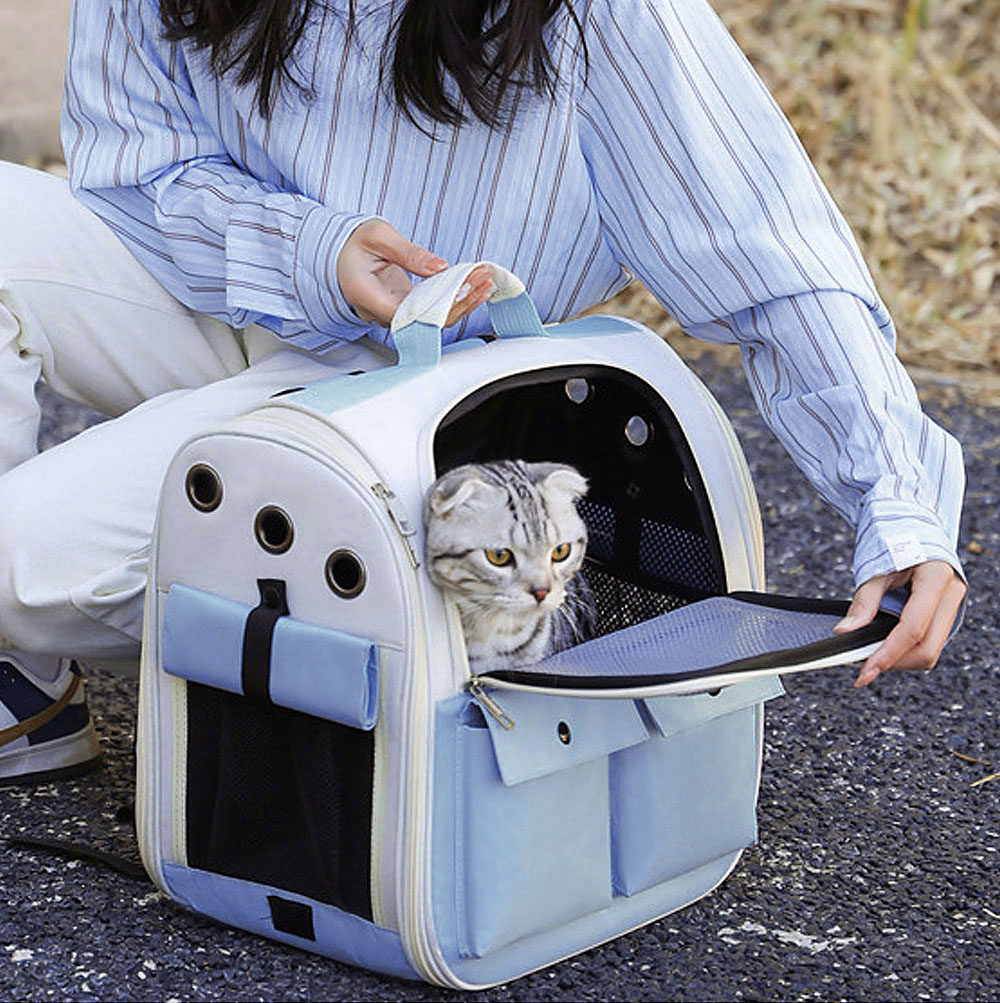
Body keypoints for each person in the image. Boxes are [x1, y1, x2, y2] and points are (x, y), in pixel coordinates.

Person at [0, 0, 966, 783]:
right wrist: (314, 251)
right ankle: (27, 692)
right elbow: (133, 173)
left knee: (14, 564)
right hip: (248, 286)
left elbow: (771, 254)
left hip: (414, 398)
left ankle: (374, 636)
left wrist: (899, 504)